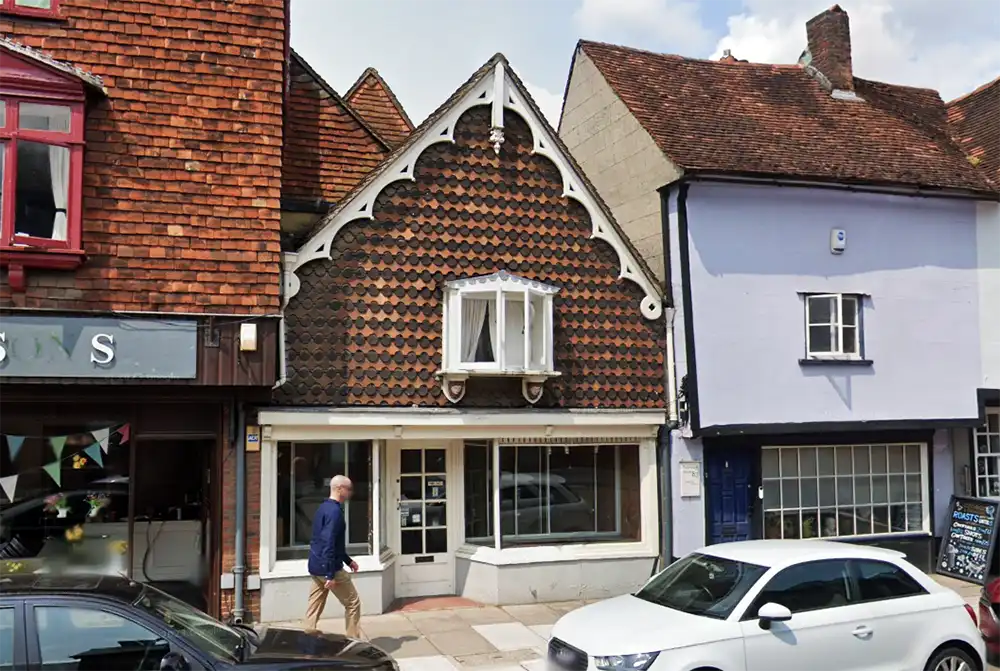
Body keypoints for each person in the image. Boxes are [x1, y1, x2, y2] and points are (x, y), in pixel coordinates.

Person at [304, 474, 361, 637]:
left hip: (315, 565)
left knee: (314, 605)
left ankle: (307, 636)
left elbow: (329, 542)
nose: (351, 493)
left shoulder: (322, 508)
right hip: (329, 568)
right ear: (339, 489)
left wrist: (348, 560)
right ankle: (354, 642)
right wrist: (330, 574)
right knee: (353, 603)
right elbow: (328, 542)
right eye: (348, 489)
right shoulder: (334, 512)